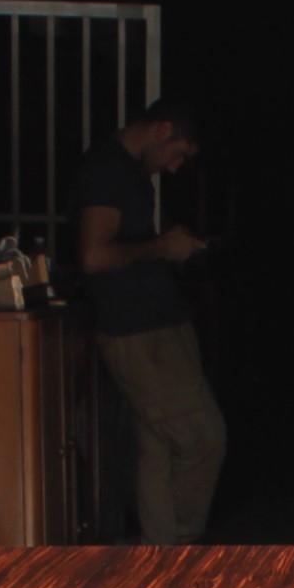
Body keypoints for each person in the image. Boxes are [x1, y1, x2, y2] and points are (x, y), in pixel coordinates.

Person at [76, 101, 224, 545]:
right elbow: (94, 255)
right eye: (177, 153)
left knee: (157, 445)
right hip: (137, 331)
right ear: (161, 129)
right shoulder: (107, 170)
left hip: (156, 323)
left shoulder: (127, 172)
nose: (175, 167)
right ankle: (181, 545)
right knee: (204, 438)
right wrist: (163, 247)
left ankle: (161, 558)